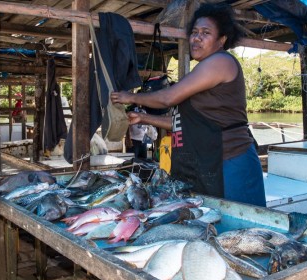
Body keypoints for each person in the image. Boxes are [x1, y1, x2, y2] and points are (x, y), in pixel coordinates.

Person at [110, 3, 266, 207]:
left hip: (229, 164)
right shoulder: (201, 71)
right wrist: (144, 118)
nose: (196, 38)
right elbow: (183, 123)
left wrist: (130, 97)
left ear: (222, 39)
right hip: (205, 164)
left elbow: (168, 98)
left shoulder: (221, 61)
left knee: (241, 230)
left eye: (205, 33)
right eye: (194, 32)